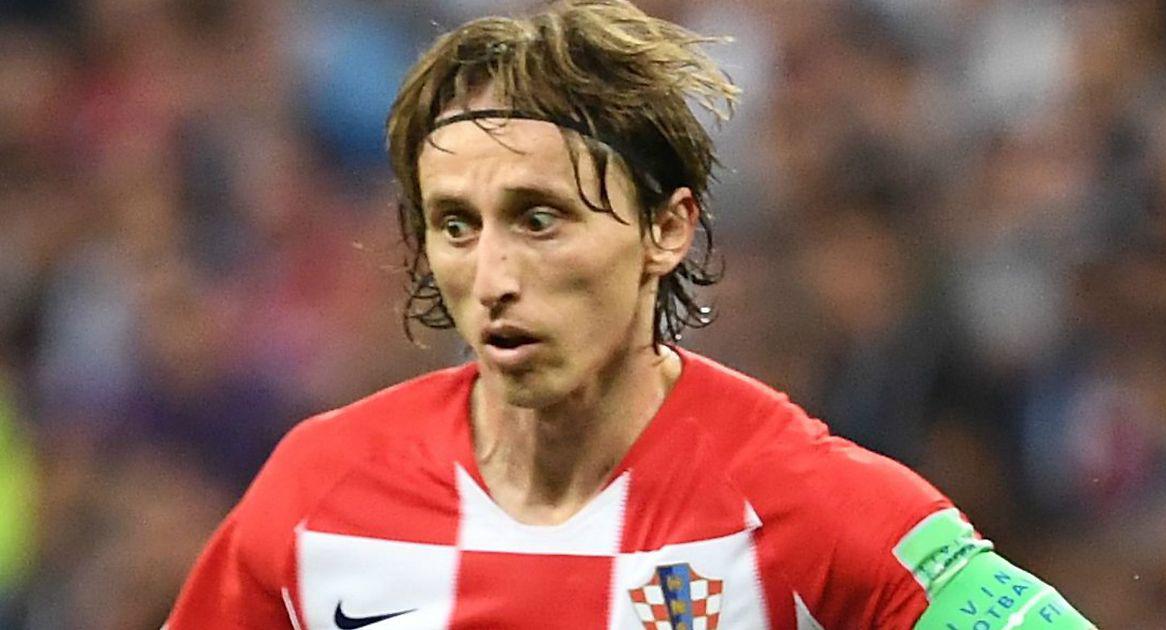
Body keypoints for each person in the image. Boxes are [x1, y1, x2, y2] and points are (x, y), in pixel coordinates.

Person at [166, 1, 1095, 628]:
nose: (492, 275)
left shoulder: (801, 505)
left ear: (666, 228)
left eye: (539, 218)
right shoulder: (321, 497)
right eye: (456, 225)